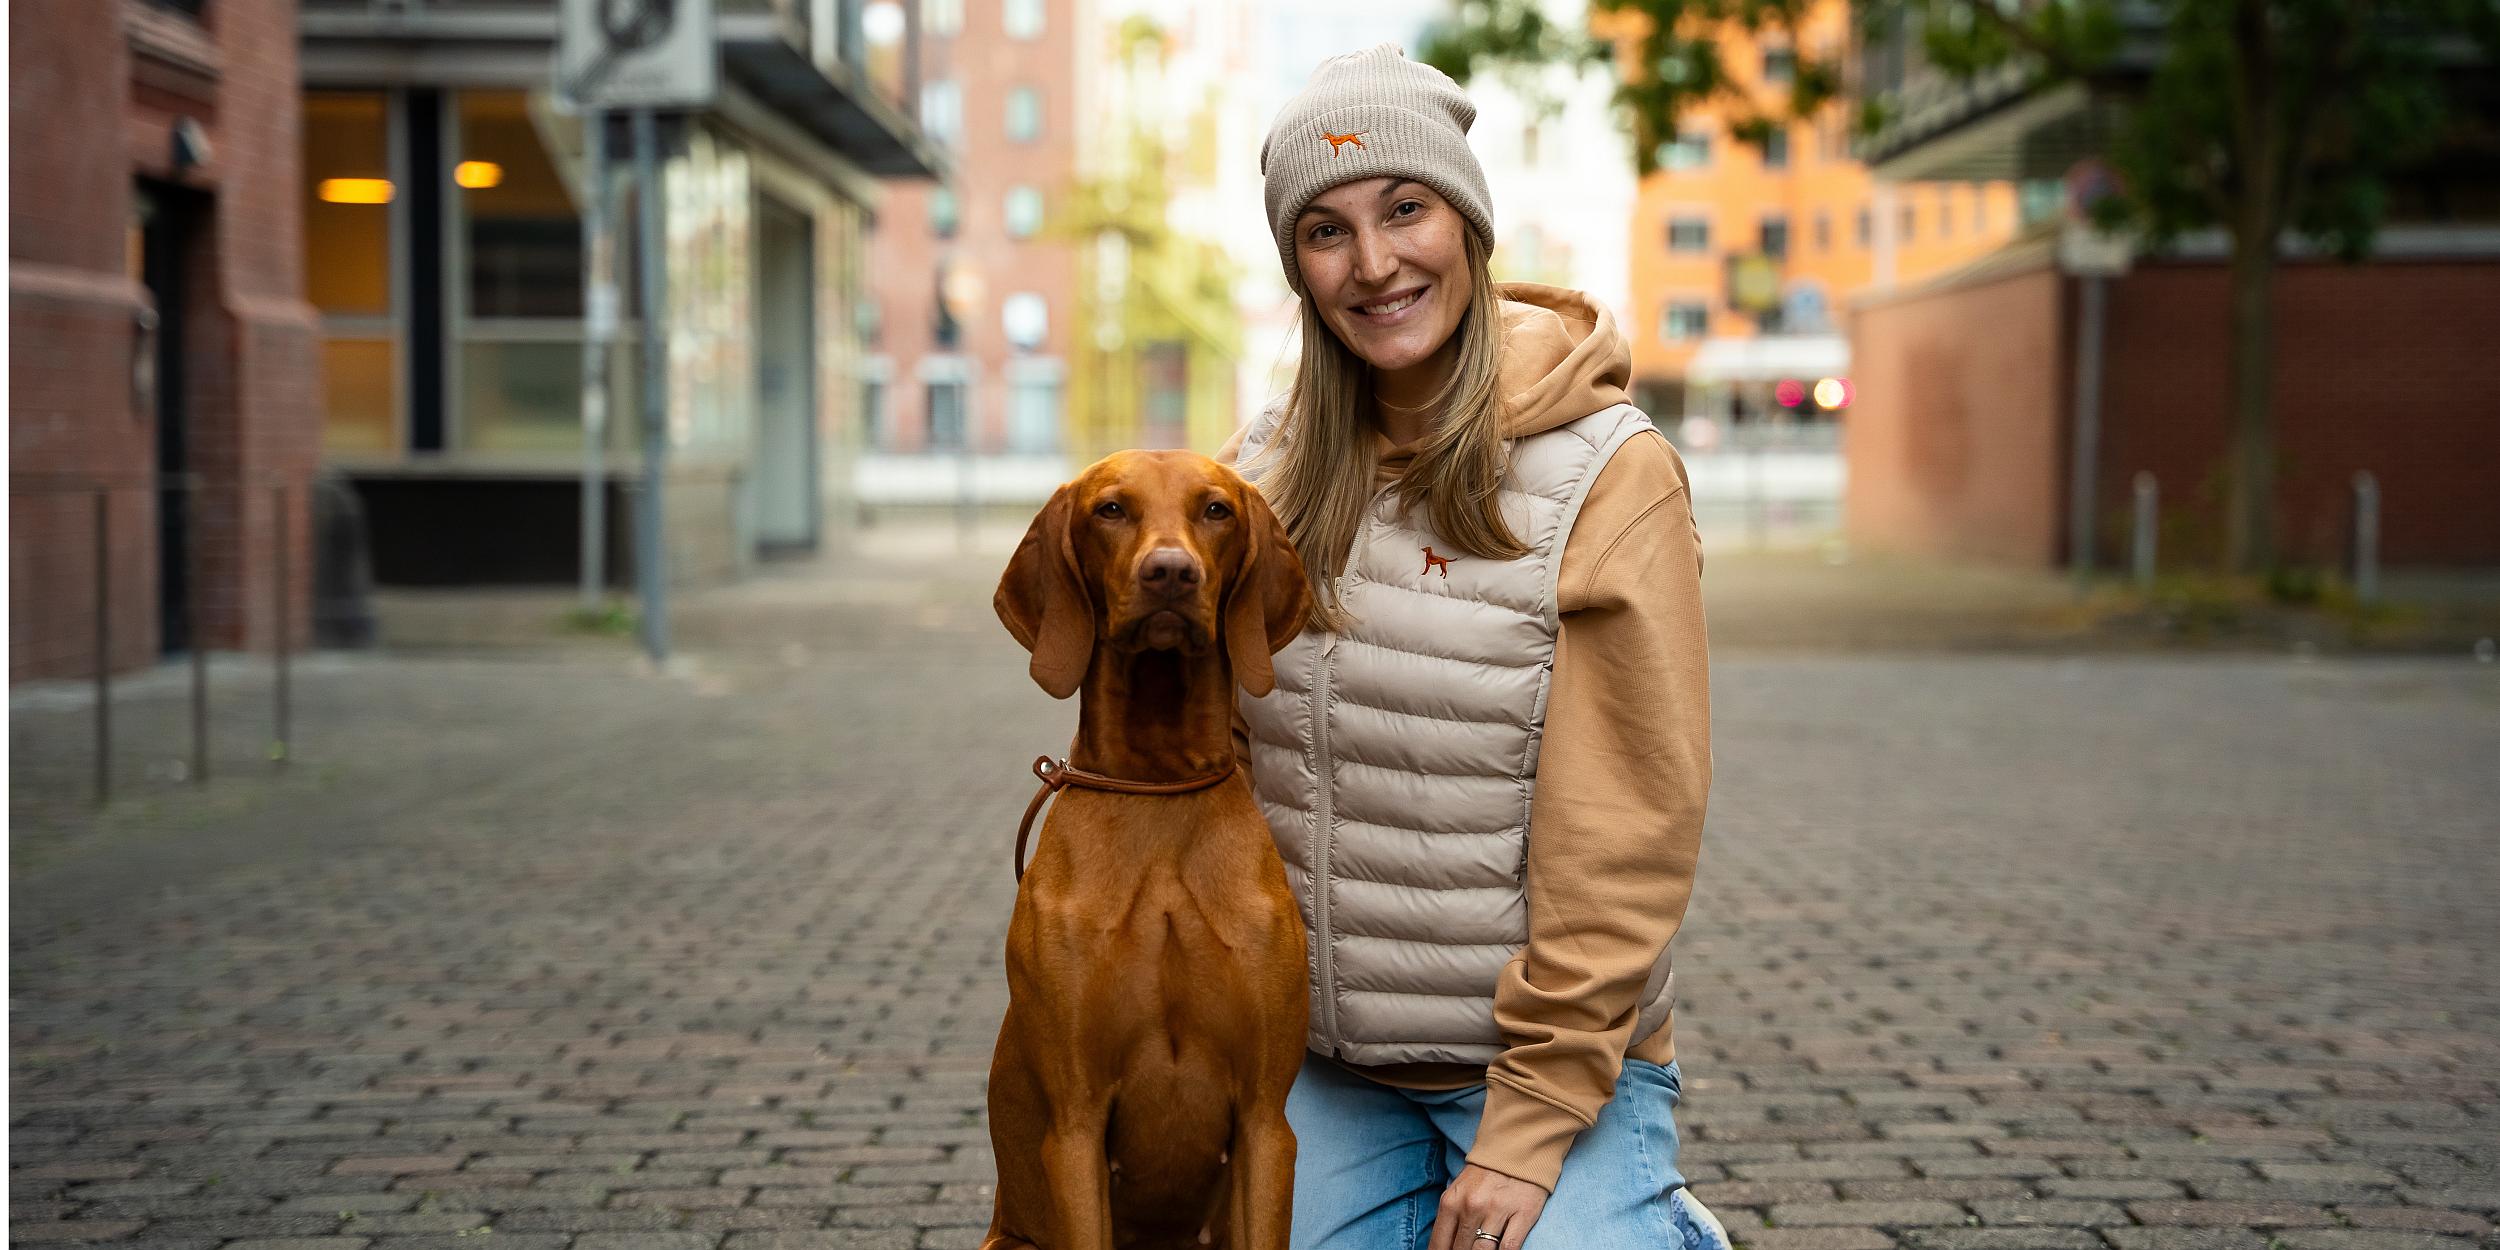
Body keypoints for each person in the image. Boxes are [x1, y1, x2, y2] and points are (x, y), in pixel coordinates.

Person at [1211, 41, 1728, 1250]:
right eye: (1327, 230)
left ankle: (1652, 1219)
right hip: (1326, 1062)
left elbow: (1628, 832)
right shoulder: (1258, 478)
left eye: (1406, 209)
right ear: (1297, 266)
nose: (1376, 262)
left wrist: (1531, 1122)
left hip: (1542, 1061)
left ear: (1469, 223)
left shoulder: (1608, 474)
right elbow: (1218, 771)